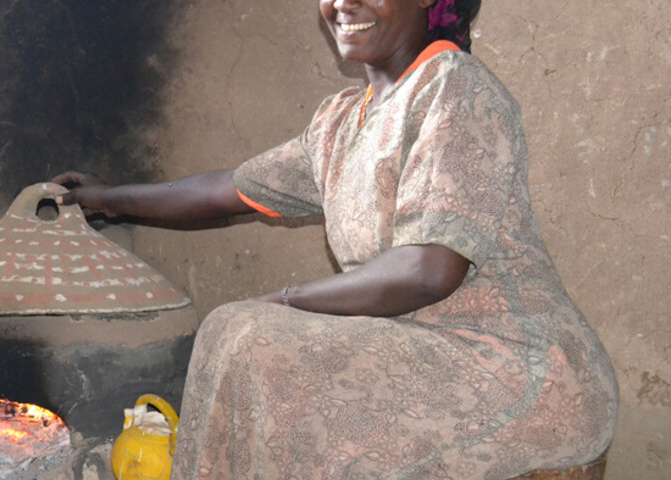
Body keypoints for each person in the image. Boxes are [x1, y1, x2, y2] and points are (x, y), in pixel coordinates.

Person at [52, 0, 618, 478]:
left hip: (516, 372)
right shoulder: (341, 121)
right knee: (243, 336)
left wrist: (285, 300)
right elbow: (228, 189)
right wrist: (108, 198)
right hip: (423, 352)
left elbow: (428, 270)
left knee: (251, 334)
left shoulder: (453, 85)